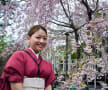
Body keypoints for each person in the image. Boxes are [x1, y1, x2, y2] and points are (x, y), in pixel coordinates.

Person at [0, 25, 56, 90]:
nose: (41, 41)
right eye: (38, 37)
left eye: (44, 38)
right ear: (28, 38)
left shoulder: (47, 65)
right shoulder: (19, 56)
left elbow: (48, 87)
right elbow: (15, 86)